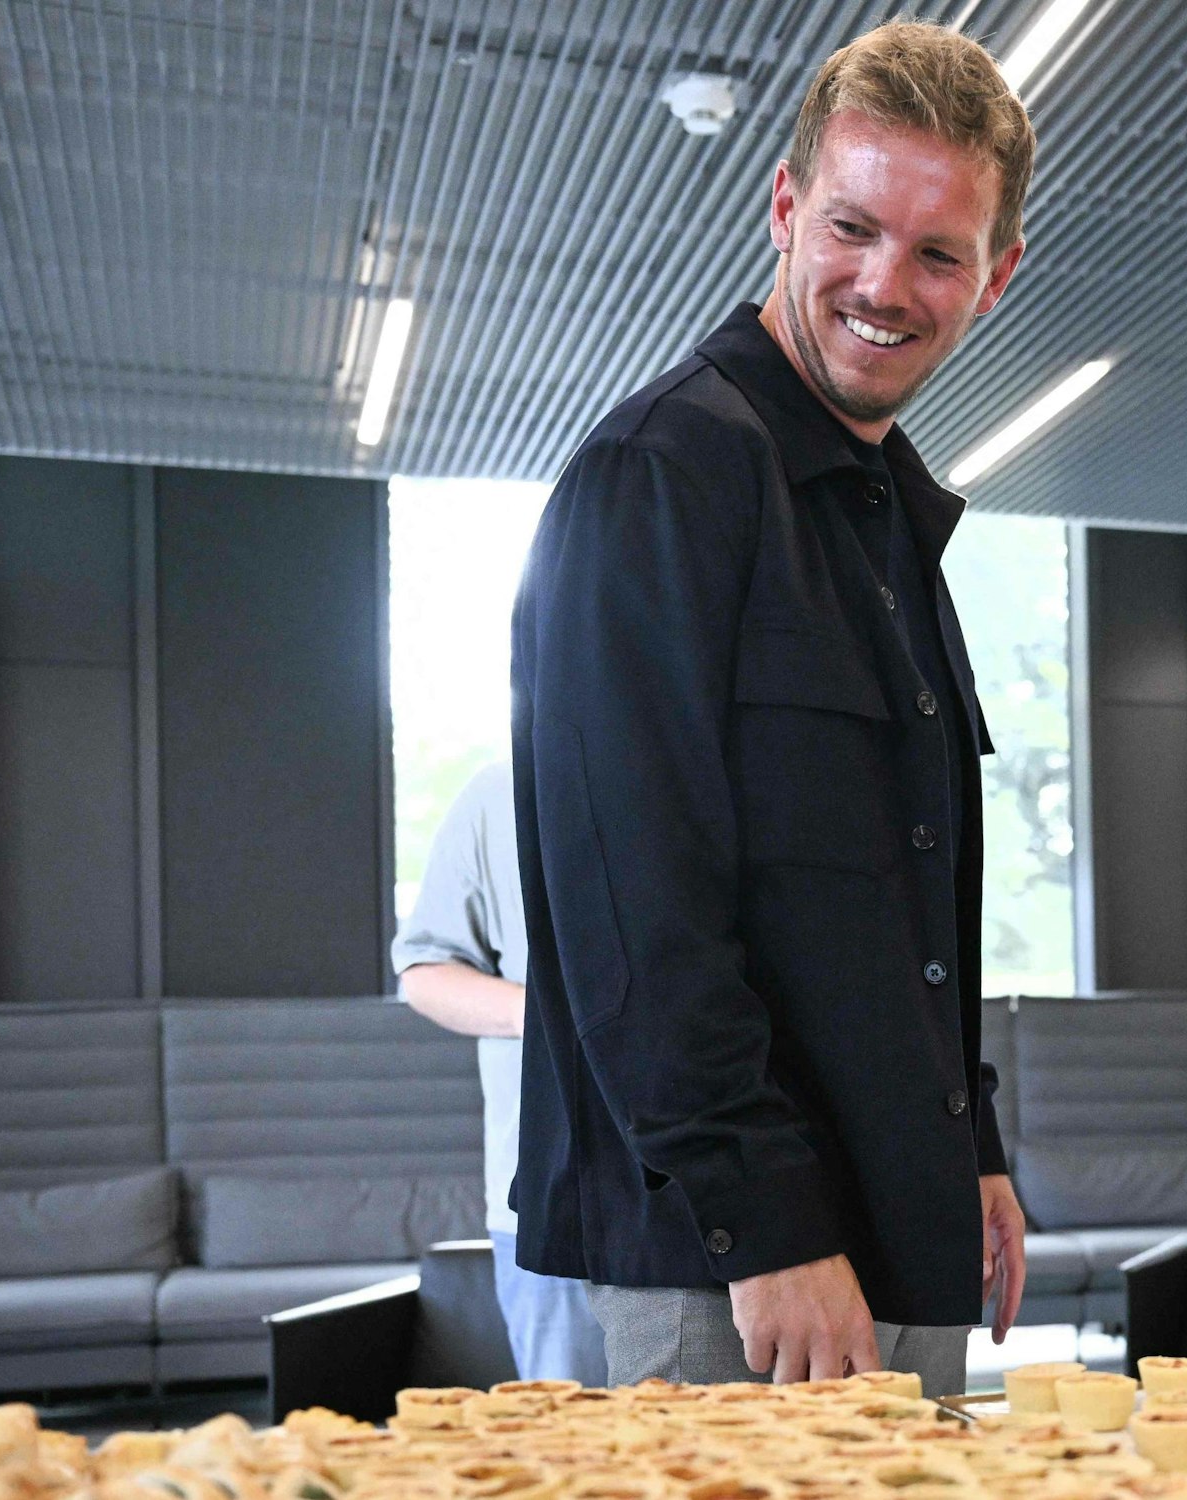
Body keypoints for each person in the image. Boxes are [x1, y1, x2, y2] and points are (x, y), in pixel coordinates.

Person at [507, 21, 1034, 1396]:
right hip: (731, 1261)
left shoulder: (885, 516)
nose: (884, 284)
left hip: (897, 1223)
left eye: (938, 253)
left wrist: (969, 1142)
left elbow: (899, 911)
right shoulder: (659, 476)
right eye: (854, 227)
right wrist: (770, 1225)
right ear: (788, 208)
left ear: (997, 278)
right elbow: (631, 907)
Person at [391, 761, 608, 1384]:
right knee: (570, 1454)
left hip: (741, 1192)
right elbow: (425, 970)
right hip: (553, 1191)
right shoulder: (497, 794)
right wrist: (561, 1020)